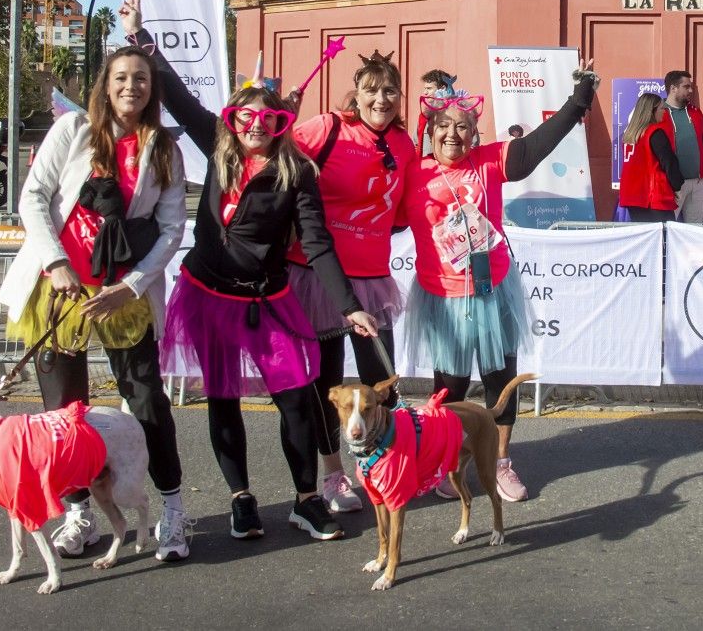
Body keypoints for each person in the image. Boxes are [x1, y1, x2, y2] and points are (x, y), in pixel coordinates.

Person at [118, 0, 378, 543]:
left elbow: (319, 243)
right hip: (210, 295)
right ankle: (241, 499)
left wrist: (350, 307)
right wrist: (140, 39)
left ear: (281, 123)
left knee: (297, 400)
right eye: (247, 115)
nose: (256, 124)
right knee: (223, 400)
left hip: (269, 300)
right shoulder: (217, 145)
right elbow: (178, 95)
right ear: (234, 118)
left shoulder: (296, 173)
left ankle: (306, 499)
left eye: (268, 117)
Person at [0, 44, 192, 561]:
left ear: (153, 89)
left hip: (122, 292)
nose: (132, 87)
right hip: (59, 289)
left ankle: (172, 510)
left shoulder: (165, 148)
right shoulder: (73, 131)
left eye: (142, 79)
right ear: (105, 85)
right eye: (122, 78)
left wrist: (131, 286)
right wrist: (56, 262)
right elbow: (33, 197)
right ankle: (79, 511)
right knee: (64, 411)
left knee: (148, 401)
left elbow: (172, 228)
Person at [401, 61, 599, 502]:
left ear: (475, 131)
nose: (453, 134)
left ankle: (502, 462)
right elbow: (374, 215)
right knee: (448, 387)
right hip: (443, 296)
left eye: (464, 126)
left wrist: (580, 97)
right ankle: (449, 463)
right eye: (444, 126)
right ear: (430, 131)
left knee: (499, 378)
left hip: (492, 288)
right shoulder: (412, 175)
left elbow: (538, 146)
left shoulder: (489, 161)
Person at [285, 49, 415, 517]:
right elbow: (271, 149)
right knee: (328, 383)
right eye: (371, 90)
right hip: (316, 275)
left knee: (382, 380)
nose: (381, 98)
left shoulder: (403, 144)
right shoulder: (328, 127)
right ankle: (333, 473)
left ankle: (387, 463)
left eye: (389, 90)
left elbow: (404, 210)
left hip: (373, 279)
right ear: (356, 94)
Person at [618, 92, 681, 222]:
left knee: (644, 239)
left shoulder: (629, 135)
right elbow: (669, 162)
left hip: (632, 196)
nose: (664, 112)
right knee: (664, 239)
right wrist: (676, 185)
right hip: (653, 197)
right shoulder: (655, 133)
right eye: (661, 108)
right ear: (651, 111)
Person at [660, 70, 703, 223]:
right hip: (672, 185)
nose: (690, 90)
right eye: (686, 87)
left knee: (698, 232)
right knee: (667, 228)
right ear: (673, 88)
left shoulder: (696, 113)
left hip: (698, 183)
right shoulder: (659, 113)